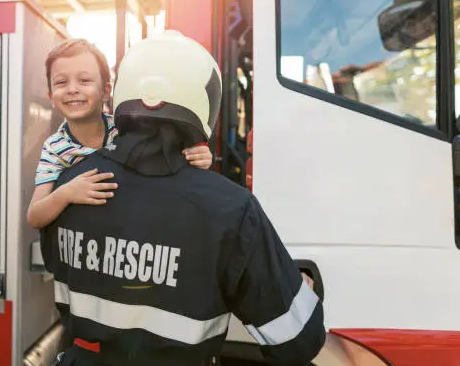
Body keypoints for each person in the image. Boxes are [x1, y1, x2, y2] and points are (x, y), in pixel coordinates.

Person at [41, 31, 326, 366]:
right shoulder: (231, 210)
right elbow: (298, 343)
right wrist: (296, 286)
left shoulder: (70, 184)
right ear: (206, 99)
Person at [26, 38, 214, 230]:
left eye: (84, 80)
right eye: (61, 82)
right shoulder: (54, 148)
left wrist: (198, 156)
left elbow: (171, 155)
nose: (72, 89)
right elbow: (34, 217)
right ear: (50, 97)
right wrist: (66, 193)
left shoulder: (126, 127)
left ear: (106, 91)